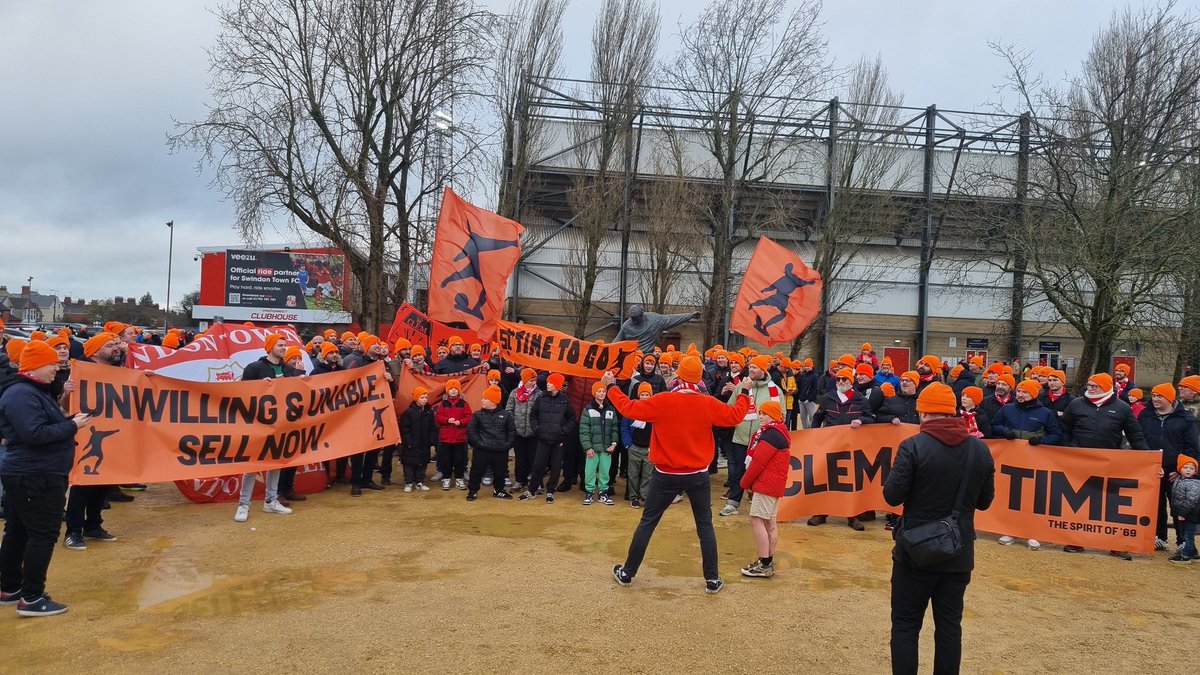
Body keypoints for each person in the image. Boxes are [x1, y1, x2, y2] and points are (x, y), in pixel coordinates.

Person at [605, 356, 753, 594]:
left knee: (648, 522)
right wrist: (744, 392)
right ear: (699, 378)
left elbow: (628, 408)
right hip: (697, 475)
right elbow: (735, 416)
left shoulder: (664, 400)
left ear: (679, 376)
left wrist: (611, 386)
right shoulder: (708, 403)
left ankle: (628, 572)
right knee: (704, 525)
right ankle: (712, 579)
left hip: (665, 474)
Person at [883, 383, 995, 675]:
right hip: (957, 552)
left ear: (922, 412)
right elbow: (985, 502)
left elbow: (892, 496)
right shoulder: (980, 449)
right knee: (949, 627)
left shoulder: (913, 446)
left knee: (906, 625)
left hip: (914, 552)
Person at [0, 340, 94, 616]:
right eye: (52, 364)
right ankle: (32, 597)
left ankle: (10, 587)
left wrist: (69, 420)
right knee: (42, 534)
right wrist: (71, 426)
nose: (57, 368)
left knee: (18, 530)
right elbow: (34, 434)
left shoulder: (31, 392)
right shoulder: (21, 394)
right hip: (36, 474)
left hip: (31, 472)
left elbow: (39, 427)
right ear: (37, 366)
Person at [1060, 373, 1148, 559]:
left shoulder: (1122, 408)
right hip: (1080, 461)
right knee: (1079, 503)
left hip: (1110, 463)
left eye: (1094, 386)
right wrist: (1069, 450)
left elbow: (1135, 435)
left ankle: (1115, 544)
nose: (1089, 388)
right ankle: (1077, 540)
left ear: (1106, 387)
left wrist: (1148, 459)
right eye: (1088, 385)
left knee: (1110, 504)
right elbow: (1065, 429)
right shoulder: (1076, 404)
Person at [235, 334, 299, 521]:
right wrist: (259, 387)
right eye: (280, 345)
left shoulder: (288, 369)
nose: (284, 348)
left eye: (285, 345)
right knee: (252, 465)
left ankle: (271, 501)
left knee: (275, 463)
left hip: (280, 424)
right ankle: (243, 505)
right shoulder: (255, 368)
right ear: (270, 347)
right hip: (257, 424)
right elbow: (242, 393)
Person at [990, 379, 1060, 550]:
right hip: (1011, 460)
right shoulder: (1007, 409)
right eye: (1019, 392)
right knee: (1011, 496)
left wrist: (1041, 440)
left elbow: (1056, 434)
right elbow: (994, 425)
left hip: (1035, 461)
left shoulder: (1045, 413)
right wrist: (1006, 432)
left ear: (1034, 394)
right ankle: (1009, 530)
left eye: (1025, 392)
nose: (1020, 395)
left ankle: (1032, 532)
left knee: (1033, 497)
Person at [808, 367, 876, 530]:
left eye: (844, 379)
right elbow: (817, 418)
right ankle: (821, 513)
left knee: (850, 481)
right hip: (829, 445)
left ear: (850, 381)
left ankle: (852, 516)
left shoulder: (860, 400)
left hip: (851, 447)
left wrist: (861, 420)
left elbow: (871, 418)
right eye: (838, 379)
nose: (840, 382)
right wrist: (814, 436)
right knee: (825, 479)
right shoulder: (827, 398)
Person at [1138, 384, 1199, 552]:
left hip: (1176, 472)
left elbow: (1192, 447)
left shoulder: (1186, 419)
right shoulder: (1145, 415)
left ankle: (1182, 541)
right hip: (1153, 469)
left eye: (1160, 396)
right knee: (1155, 505)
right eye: (1154, 396)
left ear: (1170, 398)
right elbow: (1139, 438)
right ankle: (1160, 537)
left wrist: (1180, 470)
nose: (1155, 399)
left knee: (1178, 506)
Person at [719, 356, 782, 517]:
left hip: (764, 440)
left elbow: (782, 415)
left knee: (760, 472)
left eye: (755, 367)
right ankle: (733, 502)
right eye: (750, 367)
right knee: (737, 472)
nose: (751, 370)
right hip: (740, 438)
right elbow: (730, 409)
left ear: (763, 370)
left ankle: (758, 503)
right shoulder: (742, 387)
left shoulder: (775, 390)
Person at [738, 401, 791, 579]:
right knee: (770, 522)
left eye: (765, 414)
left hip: (766, 484)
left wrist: (744, 483)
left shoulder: (770, 435)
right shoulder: (778, 432)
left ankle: (765, 562)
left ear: (774, 416)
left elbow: (758, 462)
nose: (761, 416)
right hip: (773, 484)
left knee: (757, 519)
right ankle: (766, 560)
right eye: (760, 413)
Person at [521, 373, 574, 504]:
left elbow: (572, 418)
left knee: (556, 467)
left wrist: (563, 431)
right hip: (543, 438)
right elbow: (533, 415)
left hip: (558, 440)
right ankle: (531, 490)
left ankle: (550, 491)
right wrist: (537, 429)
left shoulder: (565, 400)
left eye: (550, 382)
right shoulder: (541, 397)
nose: (547, 384)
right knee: (538, 465)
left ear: (557, 385)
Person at [465, 385, 515, 501]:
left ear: (493, 401)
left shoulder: (506, 415)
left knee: (500, 472)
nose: (482, 400)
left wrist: (507, 445)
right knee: (476, 471)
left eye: (485, 398)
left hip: (500, 450)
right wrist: (478, 444)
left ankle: (499, 490)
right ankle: (473, 491)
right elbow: (471, 431)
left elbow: (512, 432)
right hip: (482, 450)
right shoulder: (477, 415)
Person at [579, 382, 619, 505]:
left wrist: (614, 443)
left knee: (605, 471)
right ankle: (589, 492)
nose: (601, 393)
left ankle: (603, 492)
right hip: (592, 449)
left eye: (603, 391)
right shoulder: (588, 409)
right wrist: (588, 447)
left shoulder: (611, 410)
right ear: (594, 393)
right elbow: (583, 430)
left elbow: (614, 428)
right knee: (589, 471)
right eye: (599, 391)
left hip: (607, 448)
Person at [619, 382, 655, 509]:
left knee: (647, 475)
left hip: (649, 449)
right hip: (634, 447)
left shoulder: (655, 410)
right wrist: (628, 444)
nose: (645, 397)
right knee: (633, 474)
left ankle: (644, 496)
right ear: (639, 395)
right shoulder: (632, 408)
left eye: (647, 394)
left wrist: (654, 446)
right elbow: (624, 427)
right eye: (643, 394)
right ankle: (633, 497)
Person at [505, 368, 542, 491]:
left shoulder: (539, 394)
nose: (533, 383)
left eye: (535, 380)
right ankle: (520, 481)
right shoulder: (514, 393)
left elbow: (541, 413)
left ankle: (535, 482)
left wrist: (537, 427)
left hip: (533, 433)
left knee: (534, 458)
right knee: (520, 458)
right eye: (531, 380)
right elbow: (509, 409)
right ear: (524, 380)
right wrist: (513, 425)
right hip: (518, 432)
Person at [434, 378, 472, 491]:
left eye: (456, 389)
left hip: (459, 437)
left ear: (459, 391)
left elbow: (469, 417)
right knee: (446, 459)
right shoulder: (443, 404)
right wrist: (447, 420)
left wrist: (460, 422)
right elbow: (438, 416)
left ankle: (459, 478)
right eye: (451, 389)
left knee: (459, 459)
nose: (454, 391)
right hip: (446, 438)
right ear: (447, 391)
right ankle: (446, 478)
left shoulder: (464, 404)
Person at [614, 305, 699, 354]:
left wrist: (690, 315)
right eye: (633, 318)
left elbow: (672, 319)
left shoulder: (654, 320)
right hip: (633, 358)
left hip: (648, 356)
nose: (635, 320)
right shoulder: (626, 327)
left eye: (637, 318)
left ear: (642, 314)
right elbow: (615, 342)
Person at [399, 387, 437, 492]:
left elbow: (433, 428)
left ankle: (419, 481)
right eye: (422, 397)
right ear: (416, 398)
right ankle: (408, 482)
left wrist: (431, 440)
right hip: (411, 444)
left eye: (426, 397)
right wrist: (409, 442)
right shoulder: (408, 412)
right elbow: (404, 429)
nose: (425, 399)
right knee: (409, 464)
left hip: (424, 443)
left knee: (422, 463)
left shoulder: (429, 412)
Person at [1169, 455, 1200, 563]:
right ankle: (1194, 553)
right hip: (1182, 513)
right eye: (1185, 467)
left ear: (1195, 471)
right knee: (1186, 534)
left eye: (1191, 468)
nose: (1188, 470)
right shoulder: (1179, 479)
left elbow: (1191, 501)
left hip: (1190, 515)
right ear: (1179, 469)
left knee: (1187, 536)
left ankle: (1185, 555)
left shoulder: (1194, 483)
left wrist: (1182, 513)